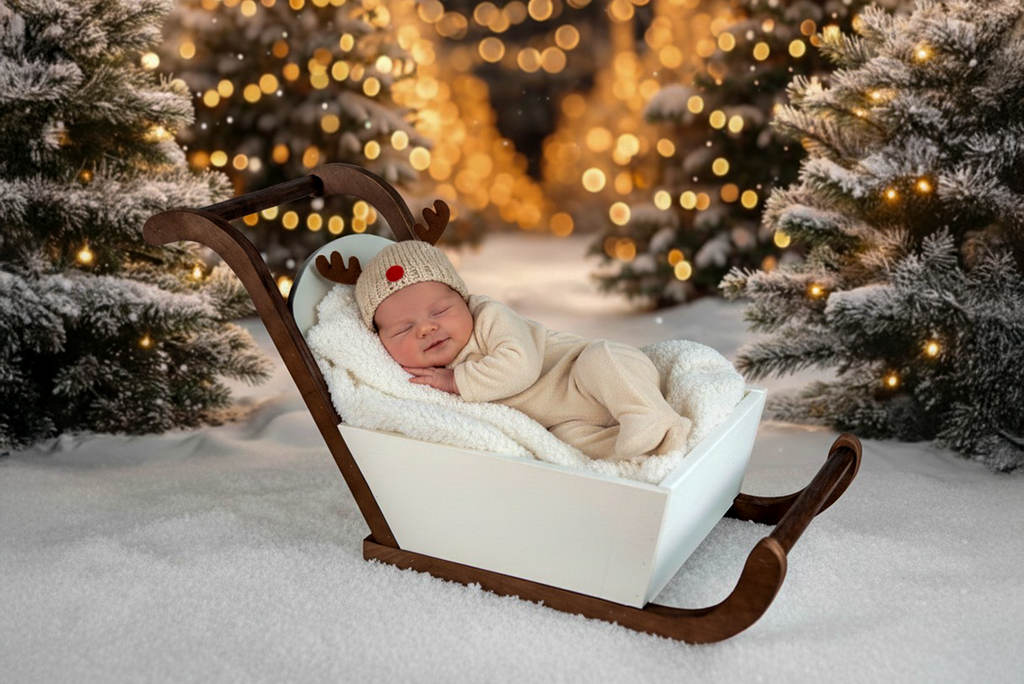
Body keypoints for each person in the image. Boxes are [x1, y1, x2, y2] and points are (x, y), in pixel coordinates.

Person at [354, 240, 691, 462]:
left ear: (464, 300)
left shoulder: (488, 317)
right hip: (562, 421)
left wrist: (456, 380)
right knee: (571, 446)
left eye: (440, 311)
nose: (426, 328)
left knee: (602, 360)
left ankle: (651, 416)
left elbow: (521, 367)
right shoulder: (416, 379)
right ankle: (645, 453)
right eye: (403, 329)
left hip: (580, 376)